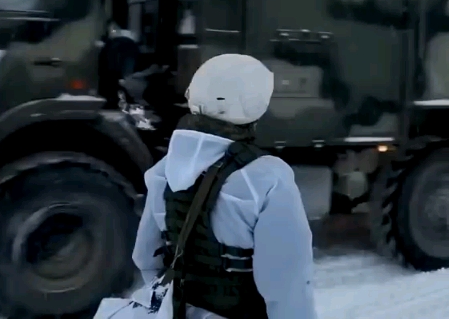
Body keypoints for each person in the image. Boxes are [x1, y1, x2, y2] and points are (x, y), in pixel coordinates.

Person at [95, 53, 318, 319]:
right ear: (255, 105)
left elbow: (146, 257)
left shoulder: (163, 170)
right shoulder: (268, 177)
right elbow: (287, 286)